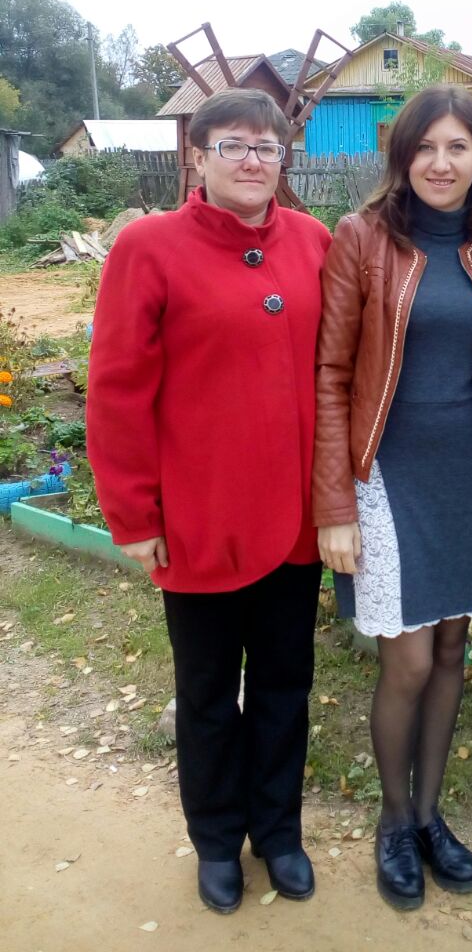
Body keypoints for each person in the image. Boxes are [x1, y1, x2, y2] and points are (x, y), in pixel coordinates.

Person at [86, 89, 331, 915]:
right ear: (196, 156)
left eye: (268, 147)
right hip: (198, 521)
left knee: (285, 685)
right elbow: (117, 392)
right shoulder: (148, 248)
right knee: (205, 693)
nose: (254, 160)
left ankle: (281, 832)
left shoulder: (313, 242)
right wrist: (133, 514)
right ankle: (217, 840)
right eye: (234, 145)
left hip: (293, 524)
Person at [313, 85, 472, 912]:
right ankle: (395, 821)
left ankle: (433, 816)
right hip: (385, 478)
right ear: (402, 159)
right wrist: (334, 503)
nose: (441, 162)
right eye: (425, 147)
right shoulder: (361, 239)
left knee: (450, 657)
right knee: (404, 660)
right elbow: (330, 375)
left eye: (458, 148)